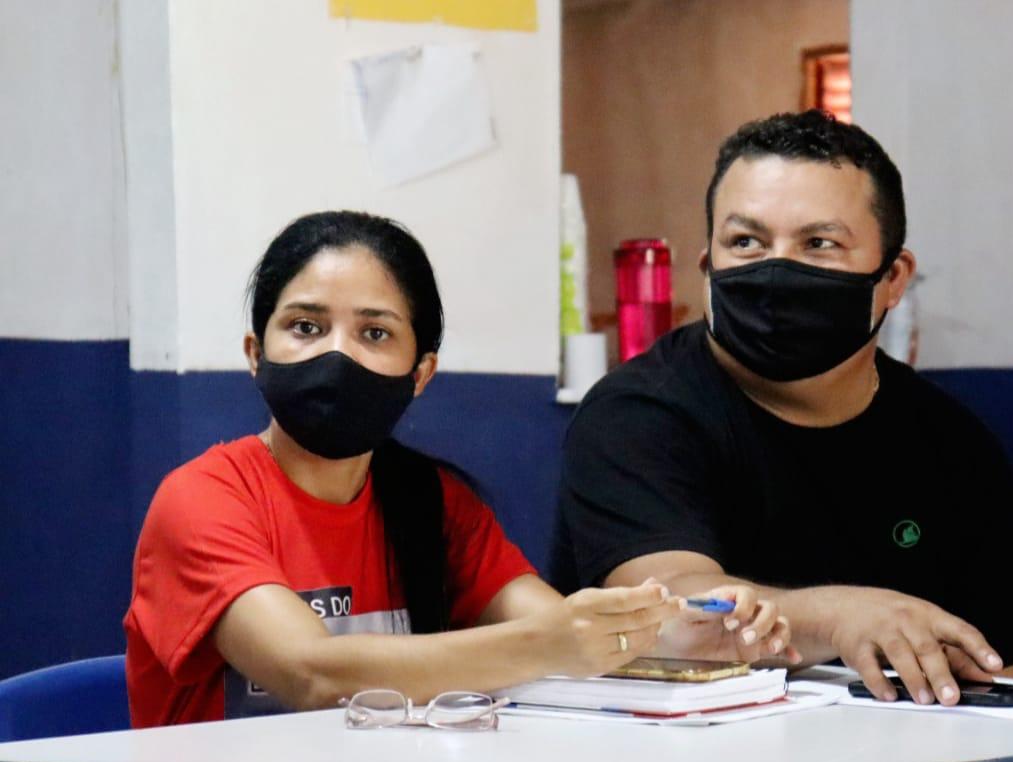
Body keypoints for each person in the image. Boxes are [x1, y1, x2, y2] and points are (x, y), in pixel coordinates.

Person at [124, 210, 791, 728]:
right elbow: (310, 674)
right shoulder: (203, 500)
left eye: (375, 333)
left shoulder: (433, 503)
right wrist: (550, 643)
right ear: (254, 351)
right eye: (304, 326)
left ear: (422, 374)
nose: (337, 355)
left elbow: (560, 628)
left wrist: (676, 637)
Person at [552, 110, 1013, 713]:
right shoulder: (637, 415)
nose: (775, 271)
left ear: (893, 277)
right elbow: (672, 613)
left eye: (818, 244)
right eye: (746, 242)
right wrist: (844, 615)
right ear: (707, 268)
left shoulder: (952, 443)